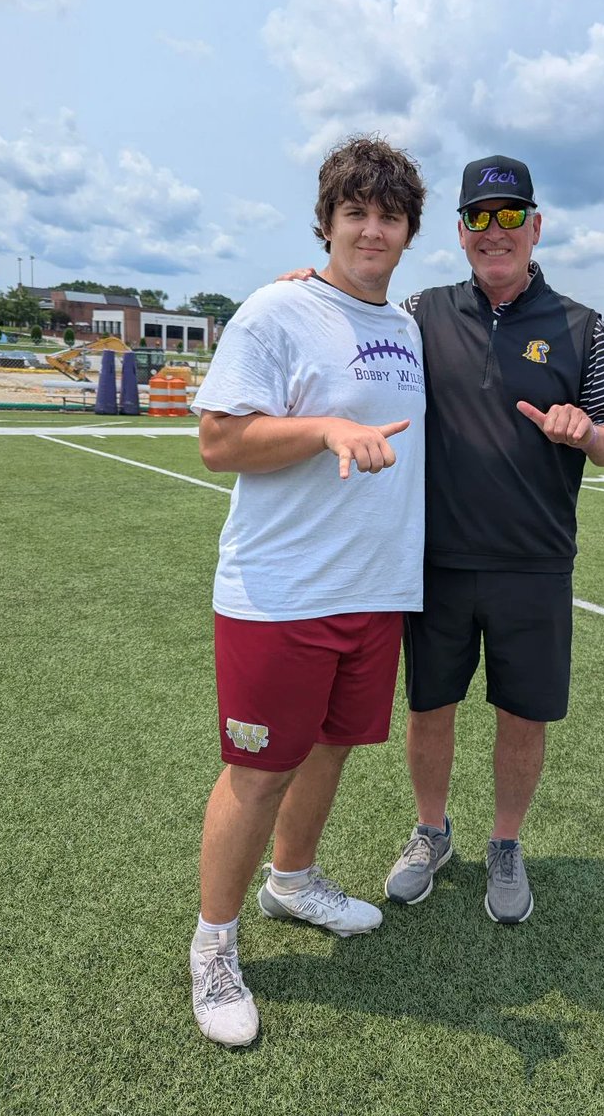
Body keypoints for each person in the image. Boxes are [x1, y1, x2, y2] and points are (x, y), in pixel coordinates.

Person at [188, 135, 426, 1046]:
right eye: (355, 212)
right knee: (259, 772)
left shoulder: (404, 327)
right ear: (326, 222)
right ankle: (214, 945)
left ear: (408, 232)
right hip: (280, 593)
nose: (371, 229)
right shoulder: (275, 311)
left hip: (374, 591)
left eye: (388, 216)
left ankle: (293, 883)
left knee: (330, 750)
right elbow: (218, 440)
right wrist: (323, 426)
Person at [382, 155, 604, 924]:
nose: (494, 233)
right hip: (436, 561)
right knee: (430, 708)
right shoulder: (419, 311)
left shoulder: (579, 327)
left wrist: (587, 431)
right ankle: (432, 832)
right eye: (478, 219)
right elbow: (348, 324)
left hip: (533, 565)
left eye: (509, 216)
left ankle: (504, 843)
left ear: (535, 226)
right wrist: (309, 287)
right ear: (460, 233)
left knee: (522, 715)